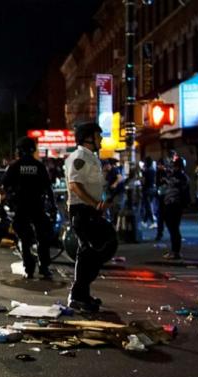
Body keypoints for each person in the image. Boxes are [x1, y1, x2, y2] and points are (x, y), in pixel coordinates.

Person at [63, 122, 114, 312]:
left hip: (89, 210)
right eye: (98, 136)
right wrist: (95, 204)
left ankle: (82, 294)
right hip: (81, 210)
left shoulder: (90, 157)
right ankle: (77, 296)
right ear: (88, 138)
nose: (101, 139)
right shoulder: (79, 157)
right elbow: (75, 185)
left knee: (92, 252)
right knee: (88, 252)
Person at [2, 137, 56, 279]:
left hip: (21, 207)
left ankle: (29, 267)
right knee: (42, 238)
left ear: (19, 150)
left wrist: (6, 203)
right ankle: (44, 267)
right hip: (37, 206)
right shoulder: (39, 166)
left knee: (25, 239)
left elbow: (5, 186)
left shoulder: (15, 166)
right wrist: (53, 208)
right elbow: (48, 188)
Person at [161, 156, 190, 260]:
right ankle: (175, 251)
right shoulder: (179, 176)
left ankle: (175, 251)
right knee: (173, 228)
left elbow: (177, 187)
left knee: (174, 228)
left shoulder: (180, 177)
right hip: (172, 204)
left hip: (174, 204)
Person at [103, 158, 125, 225]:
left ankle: (118, 224)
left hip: (119, 193)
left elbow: (120, 177)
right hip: (113, 194)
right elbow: (105, 181)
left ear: (108, 165)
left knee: (116, 209)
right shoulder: (108, 173)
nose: (104, 168)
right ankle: (113, 223)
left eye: (105, 166)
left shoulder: (114, 170)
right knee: (110, 208)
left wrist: (115, 184)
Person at [155, 158, 169, 241]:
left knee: (165, 216)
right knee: (161, 216)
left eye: (160, 164)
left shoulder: (166, 172)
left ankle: (160, 233)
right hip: (161, 195)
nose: (159, 166)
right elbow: (157, 182)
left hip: (166, 196)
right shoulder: (158, 172)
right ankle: (159, 233)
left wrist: (165, 180)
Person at [140, 157, 157, 227]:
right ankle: (144, 221)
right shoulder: (153, 169)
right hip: (152, 189)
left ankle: (153, 222)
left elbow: (143, 181)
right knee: (148, 205)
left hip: (146, 189)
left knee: (148, 206)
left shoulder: (146, 171)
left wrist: (141, 172)